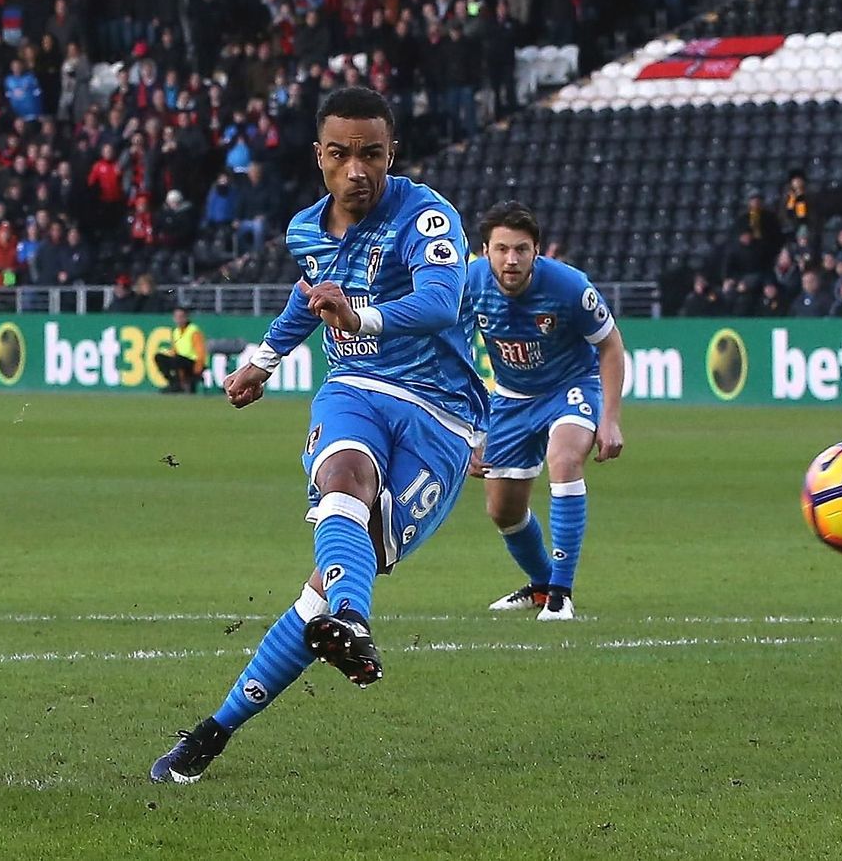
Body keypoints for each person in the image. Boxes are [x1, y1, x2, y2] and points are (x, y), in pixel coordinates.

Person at [150, 87, 487, 783]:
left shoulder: (425, 216)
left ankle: (215, 732)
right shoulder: (306, 229)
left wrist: (355, 319)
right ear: (319, 158)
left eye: (371, 154)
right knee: (342, 480)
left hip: (440, 416)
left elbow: (440, 300)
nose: (356, 169)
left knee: (317, 596)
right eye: (341, 155)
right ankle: (354, 625)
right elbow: (311, 296)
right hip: (354, 391)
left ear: (391, 153)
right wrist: (264, 361)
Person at [466, 201, 625, 620]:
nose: (511, 259)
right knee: (503, 510)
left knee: (565, 459)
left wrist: (609, 418)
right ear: (486, 251)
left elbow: (610, 346)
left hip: (569, 388)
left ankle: (560, 594)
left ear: (537, 250)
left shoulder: (571, 287)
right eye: (501, 249)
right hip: (511, 398)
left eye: (521, 249)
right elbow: (450, 353)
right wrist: (467, 431)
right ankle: (541, 583)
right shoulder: (468, 283)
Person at [154, 306, 207, 394]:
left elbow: (201, 352)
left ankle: (179, 385)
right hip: (179, 360)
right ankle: (174, 383)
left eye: (181, 317)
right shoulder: (176, 331)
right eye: (176, 317)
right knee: (159, 357)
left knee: (177, 359)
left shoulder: (193, 331)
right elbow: (175, 349)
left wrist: (198, 368)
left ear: (186, 317)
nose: (179, 319)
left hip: (192, 362)